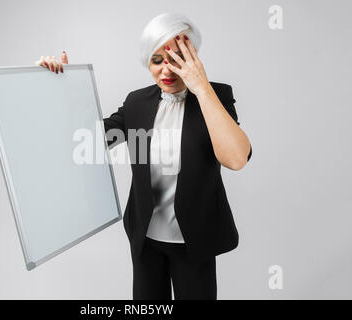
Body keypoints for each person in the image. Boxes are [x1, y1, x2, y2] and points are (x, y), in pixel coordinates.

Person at [36, 12, 252, 300]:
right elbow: (86, 142)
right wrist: (60, 88)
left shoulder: (216, 97)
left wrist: (201, 87)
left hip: (194, 241)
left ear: (193, 58)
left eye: (176, 59)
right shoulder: (137, 102)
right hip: (145, 239)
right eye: (157, 60)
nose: (167, 71)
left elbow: (236, 158)